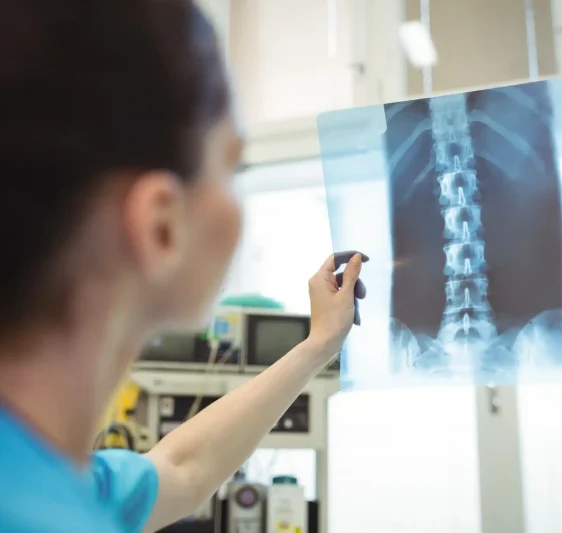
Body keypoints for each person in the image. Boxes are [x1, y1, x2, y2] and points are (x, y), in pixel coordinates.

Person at [0, 1, 367, 532]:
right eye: (231, 166)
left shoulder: (53, 482)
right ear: (160, 225)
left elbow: (182, 468)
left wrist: (316, 346)